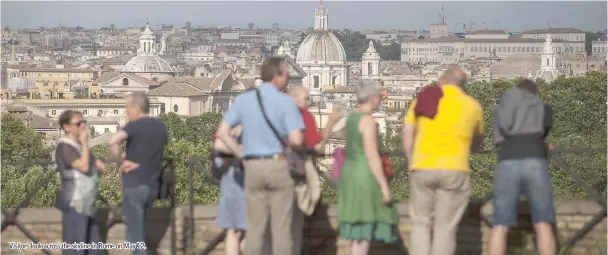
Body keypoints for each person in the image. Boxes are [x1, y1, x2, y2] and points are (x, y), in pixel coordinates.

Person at [216, 56, 305, 255]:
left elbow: (222, 132)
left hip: (252, 167)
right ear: (278, 77)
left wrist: (242, 154)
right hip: (278, 165)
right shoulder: (285, 102)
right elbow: (297, 140)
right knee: (281, 229)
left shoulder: (244, 100)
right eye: (286, 73)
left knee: (254, 228)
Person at [402, 66, 484, 255]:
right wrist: (469, 151)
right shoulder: (472, 105)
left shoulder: (425, 98)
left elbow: (407, 131)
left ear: (443, 81)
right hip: (456, 167)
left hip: (423, 166)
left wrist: (410, 158)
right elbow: (478, 139)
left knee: (421, 223)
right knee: (445, 227)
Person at [488, 79, 556, 255]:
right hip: (535, 158)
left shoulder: (503, 106)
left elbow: (499, 133)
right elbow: (542, 132)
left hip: (508, 159)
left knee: (500, 224)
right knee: (543, 223)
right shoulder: (543, 107)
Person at [337, 79, 400, 255]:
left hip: (349, 173)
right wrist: (384, 186)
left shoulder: (351, 118)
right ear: (373, 97)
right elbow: (372, 156)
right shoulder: (368, 121)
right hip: (363, 176)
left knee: (355, 231)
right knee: (363, 232)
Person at [108, 92, 168, 254]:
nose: (126, 112)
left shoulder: (135, 125)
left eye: (127, 108)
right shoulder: (160, 127)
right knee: (140, 231)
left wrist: (121, 160)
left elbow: (113, 140)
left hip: (134, 184)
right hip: (153, 186)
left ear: (136, 108)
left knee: (135, 238)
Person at [288, 86, 341, 254]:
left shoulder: (274, 112)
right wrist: (332, 121)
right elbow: (317, 146)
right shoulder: (303, 116)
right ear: (295, 99)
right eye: (306, 99)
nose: (309, 102)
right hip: (298, 170)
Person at [54, 110, 105, 255]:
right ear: (66, 127)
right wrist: (84, 142)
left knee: (94, 248)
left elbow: (97, 166)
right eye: (78, 123)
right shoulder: (65, 146)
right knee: (76, 248)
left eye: (84, 122)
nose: (82, 126)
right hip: (74, 202)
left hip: (86, 202)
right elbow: (83, 166)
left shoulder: (77, 146)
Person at [213, 125, 246, 255]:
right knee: (236, 231)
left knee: (240, 231)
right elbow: (219, 144)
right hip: (238, 179)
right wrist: (243, 152)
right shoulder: (238, 120)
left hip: (238, 178)